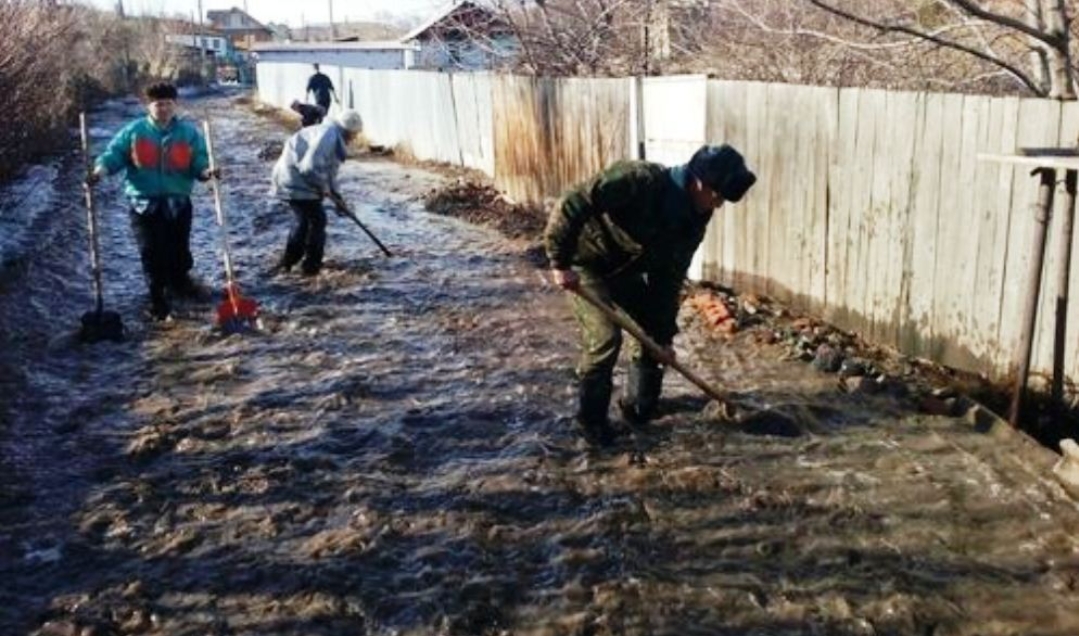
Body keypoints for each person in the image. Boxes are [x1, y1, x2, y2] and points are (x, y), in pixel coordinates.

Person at [545, 144, 757, 447]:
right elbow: (575, 200)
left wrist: (664, 335)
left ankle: (638, 409)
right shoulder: (638, 180)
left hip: (623, 271)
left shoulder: (694, 218)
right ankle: (592, 424)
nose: (719, 205)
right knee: (605, 338)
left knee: (653, 338)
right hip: (584, 264)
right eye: (718, 196)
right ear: (699, 183)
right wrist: (560, 262)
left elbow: (669, 279)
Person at [87, 81, 219, 321]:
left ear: (175, 105)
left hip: (178, 204)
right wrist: (98, 173)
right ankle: (158, 301)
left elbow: (199, 161)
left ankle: (180, 283)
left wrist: (207, 172)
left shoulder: (188, 133)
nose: (164, 108)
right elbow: (113, 156)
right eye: (158, 104)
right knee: (151, 253)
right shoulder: (134, 131)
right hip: (143, 205)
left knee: (179, 253)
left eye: (168, 104)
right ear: (148, 106)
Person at [270, 109, 364, 276]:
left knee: (307, 220)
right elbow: (309, 168)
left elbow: (329, 173)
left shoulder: (333, 137)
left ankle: (291, 264)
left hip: (297, 179)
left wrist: (337, 197)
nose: (355, 138)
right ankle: (308, 267)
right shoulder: (328, 136)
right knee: (316, 220)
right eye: (354, 135)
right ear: (348, 131)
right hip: (295, 180)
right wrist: (323, 187)